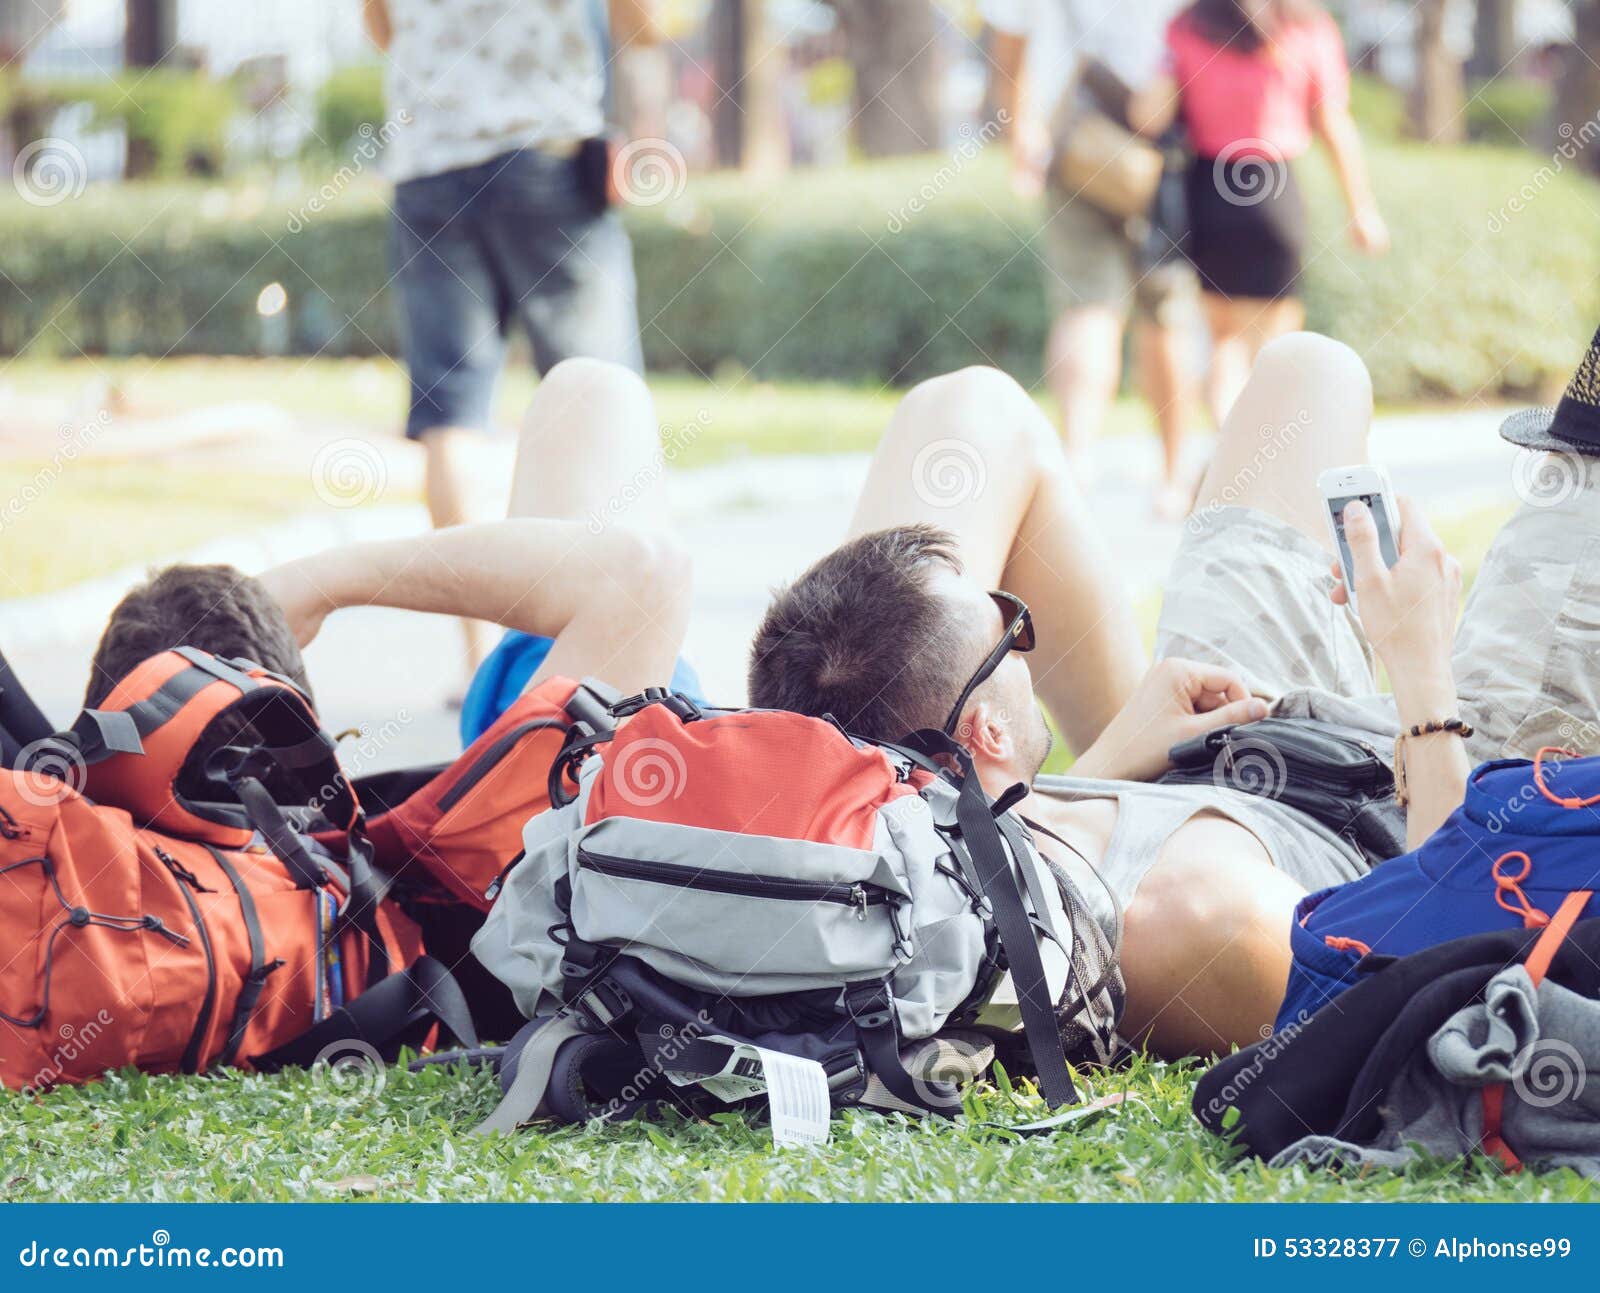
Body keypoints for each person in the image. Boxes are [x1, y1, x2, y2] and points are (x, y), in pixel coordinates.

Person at [748, 330, 1600, 1058]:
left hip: (1228, 743)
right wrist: (1419, 669)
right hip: (1445, 787)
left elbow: (994, 828)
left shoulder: (959, 819)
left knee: (1308, 371)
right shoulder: (1205, 922)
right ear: (982, 733)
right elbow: (1433, 967)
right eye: (1010, 628)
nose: (1022, 629)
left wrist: (1112, 758)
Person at [88, 360, 691, 734]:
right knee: (591, 391)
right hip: (595, 742)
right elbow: (643, 575)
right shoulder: (485, 823)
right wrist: (326, 582)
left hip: (561, 707)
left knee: (586, 394)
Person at [362, 0, 659, 675]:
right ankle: (619, 653)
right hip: (544, 153)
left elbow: (382, 26)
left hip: (429, 165)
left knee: (450, 418)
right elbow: (642, 20)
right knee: (602, 399)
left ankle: (478, 662)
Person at [986, 0, 1200, 518]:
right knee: (1165, 316)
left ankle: (1076, 468)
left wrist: (1021, 133)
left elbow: (1008, 45)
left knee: (1087, 307)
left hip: (1077, 137)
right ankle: (1173, 478)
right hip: (1167, 146)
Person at [1129, 0, 1389, 425]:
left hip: (1209, 192)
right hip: (1272, 192)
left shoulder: (1188, 25)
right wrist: (1362, 208)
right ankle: (1263, 461)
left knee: (1223, 343)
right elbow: (1333, 122)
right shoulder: (1308, 27)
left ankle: (1230, 457)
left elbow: (1149, 116)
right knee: (1276, 349)